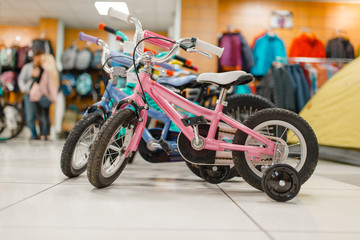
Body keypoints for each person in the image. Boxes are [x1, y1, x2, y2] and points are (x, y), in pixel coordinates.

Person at [29, 53, 59, 141]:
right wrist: (52, 97)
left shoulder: (44, 70)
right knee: (46, 115)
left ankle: (43, 134)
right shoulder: (53, 71)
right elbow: (53, 86)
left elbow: (43, 85)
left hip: (39, 95)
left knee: (40, 115)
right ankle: (47, 134)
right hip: (47, 96)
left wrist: (44, 93)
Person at [18, 52, 40, 140]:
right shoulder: (27, 67)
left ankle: (43, 135)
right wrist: (25, 90)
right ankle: (34, 135)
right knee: (30, 116)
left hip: (41, 95)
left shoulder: (43, 67)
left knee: (42, 115)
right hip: (29, 94)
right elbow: (21, 79)